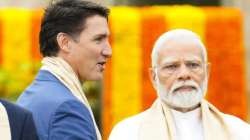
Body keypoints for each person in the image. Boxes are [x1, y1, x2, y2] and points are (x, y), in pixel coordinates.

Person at [109, 29, 250, 140]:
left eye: (193, 65)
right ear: (153, 77)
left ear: (207, 72)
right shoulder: (128, 133)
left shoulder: (239, 131)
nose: (184, 74)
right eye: (171, 66)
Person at [17, 0, 111, 140]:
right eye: (98, 39)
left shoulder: (31, 95)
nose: (108, 51)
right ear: (65, 43)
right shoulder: (67, 107)